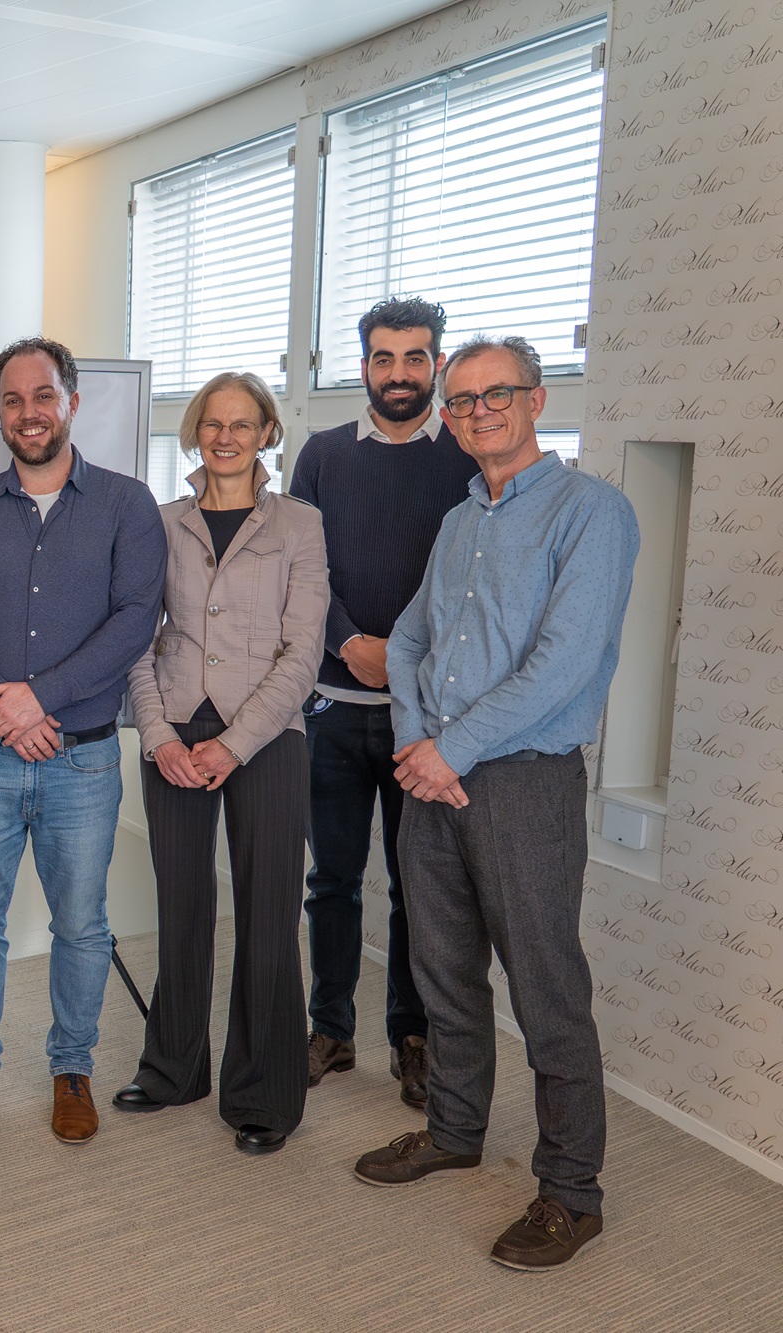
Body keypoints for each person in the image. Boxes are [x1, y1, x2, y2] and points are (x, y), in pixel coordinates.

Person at [352, 336, 638, 1271]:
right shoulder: (459, 519)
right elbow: (407, 642)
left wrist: (452, 747)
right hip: (431, 775)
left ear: (536, 398)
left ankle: (572, 1192)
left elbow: (564, 662)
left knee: (547, 988)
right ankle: (454, 1128)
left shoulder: (593, 512)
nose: (479, 412)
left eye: (497, 394)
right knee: (441, 968)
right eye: (463, 401)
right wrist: (416, 743)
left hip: (523, 782)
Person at [0, 336, 166, 1147]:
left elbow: (135, 620)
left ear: (72, 402)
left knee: (82, 924)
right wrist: (6, 712)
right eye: (13, 399)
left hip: (83, 759)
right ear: (0, 411)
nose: (28, 412)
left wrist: (39, 698)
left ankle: (73, 1069)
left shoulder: (128, 504)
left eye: (43, 395)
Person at [117, 371, 328, 1156]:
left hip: (267, 737)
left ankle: (264, 1094)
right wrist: (158, 735)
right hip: (173, 728)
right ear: (195, 433)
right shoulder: (159, 522)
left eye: (243, 424)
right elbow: (135, 639)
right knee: (181, 906)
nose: (226, 437)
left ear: (268, 431)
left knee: (269, 914)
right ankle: (174, 1069)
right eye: (213, 423)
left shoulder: (301, 524)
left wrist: (235, 743)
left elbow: (303, 654)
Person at [290, 297, 479, 1110]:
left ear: (437, 364)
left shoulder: (466, 454)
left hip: (424, 717)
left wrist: (402, 661)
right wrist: (348, 642)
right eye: (384, 358)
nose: (399, 373)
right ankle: (329, 1028)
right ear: (363, 364)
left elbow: (476, 579)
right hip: (332, 707)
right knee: (331, 879)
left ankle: (412, 1035)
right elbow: (299, 568)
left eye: (415, 357)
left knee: (417, 885)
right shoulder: (323, 454)